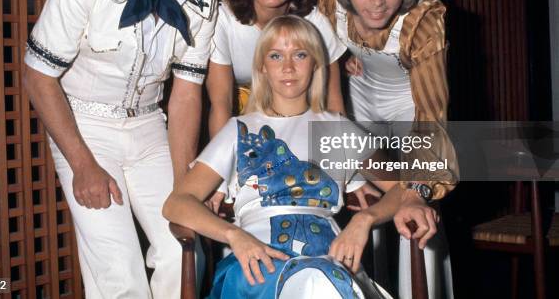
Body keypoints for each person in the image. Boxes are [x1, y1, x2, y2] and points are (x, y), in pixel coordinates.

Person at [22, 0, 223, 298]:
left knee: (184, 247)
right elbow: (38, 76)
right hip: (84, 126)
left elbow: (186, 93)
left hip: (150, 125)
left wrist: (186, 185)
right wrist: (82, 164)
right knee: (119, 272)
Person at [163, 15, 439, 299]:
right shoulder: (240, 130)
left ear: (316, 64)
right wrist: (234, 236)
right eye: (275, 55)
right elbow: (177, 203)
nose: (288, 67)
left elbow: (404, 188)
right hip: (257, 265)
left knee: (320, 280)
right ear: (262, 67)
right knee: (316, 283)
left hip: (330, 260)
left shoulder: (336, 128)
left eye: (300, 54)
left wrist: (364, 219)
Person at [318, 0, 458, 299]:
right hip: (357, 102)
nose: (377, 2)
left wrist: (416, 188)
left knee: (415, 210)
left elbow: (431, 114)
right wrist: (342, 53)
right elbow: (313, 45)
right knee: (364, 203)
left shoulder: (422, 22)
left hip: (408, 107)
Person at [205, 0, 381, 211]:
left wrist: (350, 176)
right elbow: (221, 103)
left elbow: (333, 107)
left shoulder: (313, 19)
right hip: (234, 125)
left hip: (295, 122)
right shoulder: (224, 18)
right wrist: (222, 177)